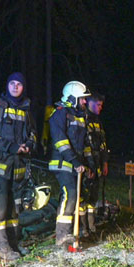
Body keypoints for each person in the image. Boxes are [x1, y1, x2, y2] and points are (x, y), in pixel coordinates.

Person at [0, 72, 37, 260]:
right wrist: (11, 147)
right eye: (12, 83)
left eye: (19, 84)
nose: (15, 87)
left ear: (23, 87)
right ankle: (0, 249)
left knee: (13, 209)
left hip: (16, 169)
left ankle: (12, 245)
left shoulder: (27, 110)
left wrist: (28, 145)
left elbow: (33, 134)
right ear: (7, 85)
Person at [48, 81, 95, 248]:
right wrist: (75, 162)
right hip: (62, 163)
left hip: (77, 165)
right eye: (82, 99)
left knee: (76, 198)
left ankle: (74, 233)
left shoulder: (81, 116)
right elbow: (61, 142)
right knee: (70, 194)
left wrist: (90, 166)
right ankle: (62, 235)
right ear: (72, 98)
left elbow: (86, 145)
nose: (85, 102)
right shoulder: (60, 114)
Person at [81, 93, 109, 234]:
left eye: (101, 105)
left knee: (93, 198)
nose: (100, 108)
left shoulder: (98, 121)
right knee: (83, 199)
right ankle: (83, 228)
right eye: (98, 105)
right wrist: (87, 168)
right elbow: (83, 147)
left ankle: (92, 227)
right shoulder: (82, 119)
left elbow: (103, 144)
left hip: (97, 165)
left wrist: (104, 163)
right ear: (89, 103)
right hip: (87, 166)